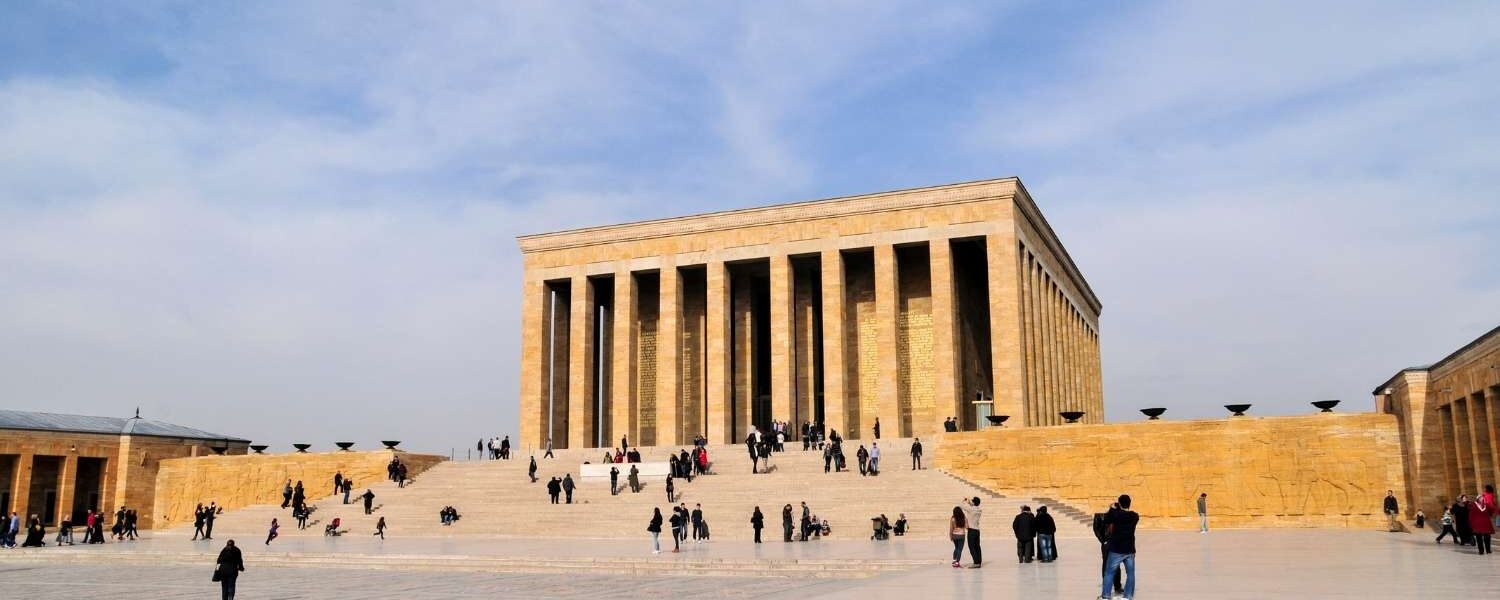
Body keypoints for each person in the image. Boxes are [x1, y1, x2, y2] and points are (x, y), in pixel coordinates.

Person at [1101, 494, 1139, 600]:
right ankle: (1127, 596)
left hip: (1116, 550)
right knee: (1130, 573)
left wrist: (1111, 508)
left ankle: (1106, 595)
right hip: (1130, 550)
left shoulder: (1116, 515)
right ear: (1129, 504)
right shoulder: (1135, 516)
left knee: (1109, 572)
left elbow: (1106, 520)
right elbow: (1125, 514)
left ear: (1120, 503)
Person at [962, 497, 984, 568]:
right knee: (977, 546)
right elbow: (973, 507)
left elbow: (961, 505)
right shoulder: (979, 510)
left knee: (971, 547)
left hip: (971, 530)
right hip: (977, 530)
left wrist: (965, 501)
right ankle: (979, 562)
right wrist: (970, 503)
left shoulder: (971, 509)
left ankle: (976, 562)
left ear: (974, 502)